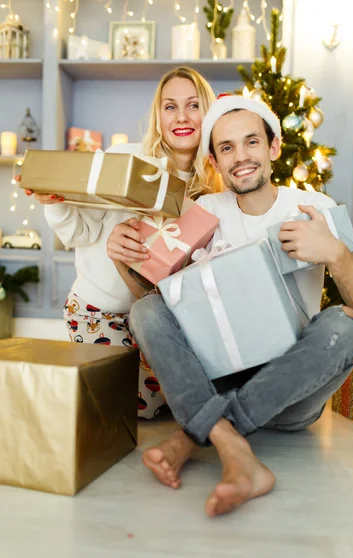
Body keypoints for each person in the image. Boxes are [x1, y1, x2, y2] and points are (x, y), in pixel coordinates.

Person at [125, 95, 353, 517]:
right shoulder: (206, 211)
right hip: (222, 377)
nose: (241, 157)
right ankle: (232, 446)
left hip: (291, 393)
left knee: (347, 324)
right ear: (215, 161)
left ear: (273, 147)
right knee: (146, 311)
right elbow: (155, 303)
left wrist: (333, 252)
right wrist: (124, 256)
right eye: (226, 148)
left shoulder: (313, 207)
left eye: (251, 143)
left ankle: (195, 435)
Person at [18, 66, 222, 420]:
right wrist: (57, 203)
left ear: (208, 113)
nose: (181, 117)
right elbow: (79, 232)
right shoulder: (128, 161)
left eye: (193, 105)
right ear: (158, 116)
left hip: (158, 318)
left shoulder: (211, 195)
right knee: (143, 405)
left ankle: (95, 383)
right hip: (98, 311)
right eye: (170, 107)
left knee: (179, 394)